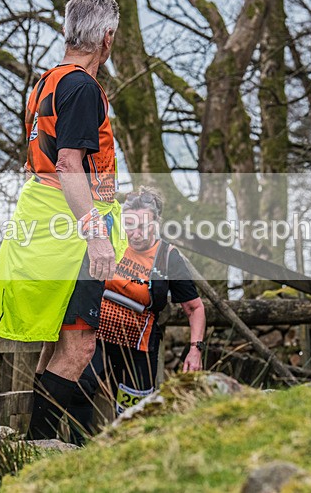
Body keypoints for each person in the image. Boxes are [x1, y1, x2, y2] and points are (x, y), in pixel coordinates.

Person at [0, 0, 126, 440]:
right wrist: (97, 235)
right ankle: (40, 446)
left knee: (57, 339)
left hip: (44, 216)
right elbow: (69, 164)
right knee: (80, 346)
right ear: (107, 38)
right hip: (71, 226)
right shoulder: (81, 87)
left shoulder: (47, 82)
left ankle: (35, 446)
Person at [67, 187, 206, 444]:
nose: (137, 233)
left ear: (156, 223)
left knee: (135, 410)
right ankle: (76, 450)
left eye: (144, 226)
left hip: (139, 342)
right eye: (130, 225)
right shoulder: (108, 241)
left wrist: (195, 349)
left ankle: (131, 455)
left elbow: (194, 307)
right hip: (97, 331)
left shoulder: (167, 256)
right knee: (81, 387)